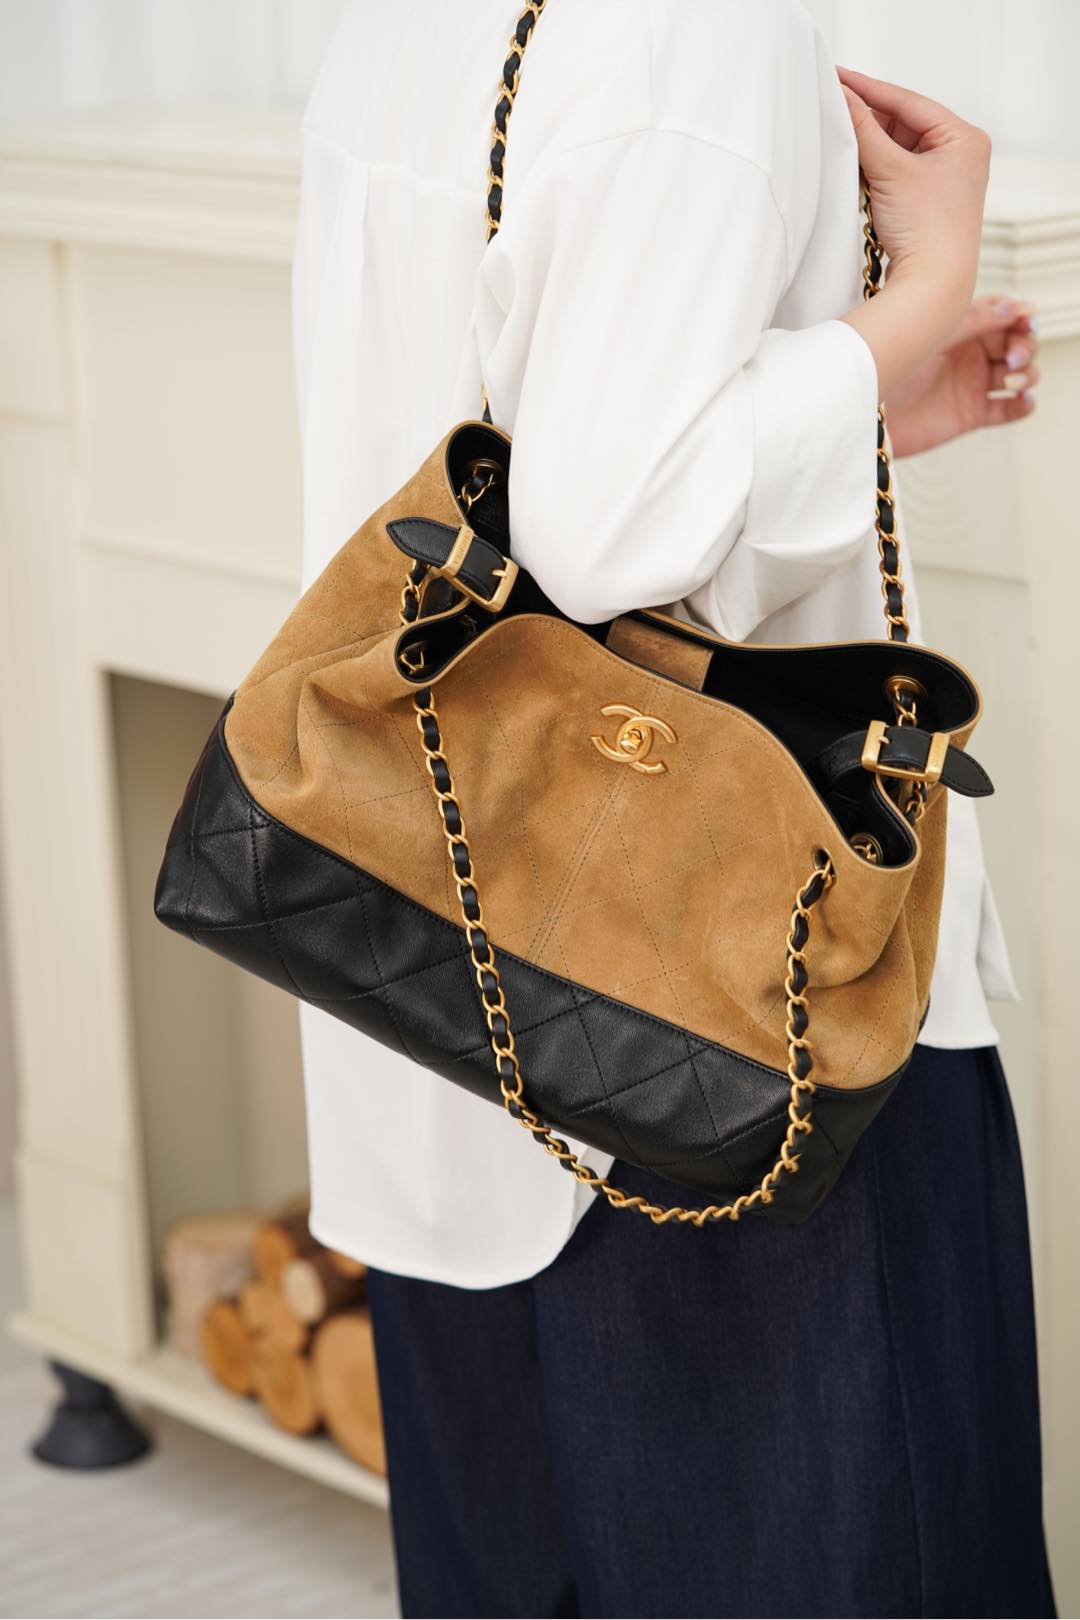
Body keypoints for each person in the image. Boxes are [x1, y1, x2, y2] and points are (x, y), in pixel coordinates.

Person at [293, 3, 1053, 1615]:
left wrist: (844, 402)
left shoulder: (394, 25)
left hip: (444, 981)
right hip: (730, 1019)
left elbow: (511, 445)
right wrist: (921, 290)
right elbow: (621, 526)